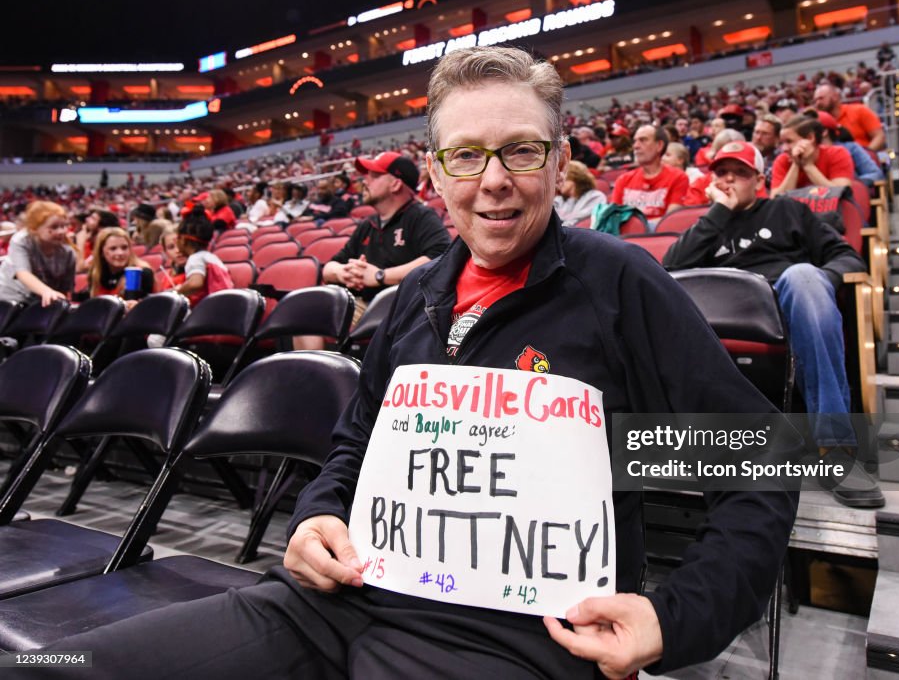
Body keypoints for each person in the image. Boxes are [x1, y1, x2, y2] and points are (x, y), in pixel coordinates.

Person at [31, 46, 797, 680]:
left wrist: (676, 617)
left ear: (558, 161)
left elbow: (767, 459)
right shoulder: (414, 299)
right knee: (58, 666)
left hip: (518, 646)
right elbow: (353, 446)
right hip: (328, 609)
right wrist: (316, 514)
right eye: (467, 155)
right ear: (435, 175)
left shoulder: (617, 283)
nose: (493, 179)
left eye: (521, 150)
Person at [663, 140, 884, 509]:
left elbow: (847, 258)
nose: (730, 179)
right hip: (718, 317)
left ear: (759, 180)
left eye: (741, 172)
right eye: (722, 172)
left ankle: (837, 449)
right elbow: (667, 270)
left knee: (803, 276)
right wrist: (718, 213)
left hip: (783, 302)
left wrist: (816, 285)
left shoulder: (788, 211)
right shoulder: (707, 223)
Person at [321, 151, 449, 324]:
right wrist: (343, 273)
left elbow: (441, 258)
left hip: (405, 309)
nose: (364, 181)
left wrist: (380, 276)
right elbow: (329, 267)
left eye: (374, 176)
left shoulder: (421, 216)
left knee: (313, 318)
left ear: (396, 184)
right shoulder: (368, 225)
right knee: (306, 311)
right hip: (364, 306)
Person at [0, 200, 75, 307]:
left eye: (63, 226)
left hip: (41, 302)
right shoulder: (22, 240)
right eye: (54, 227)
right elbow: (23, 273)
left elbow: (64, 289)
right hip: (9, 298)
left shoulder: (68, 252)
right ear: (34, 228)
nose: (61, 232)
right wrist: (46, 291)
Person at [609, 124, 689, 225]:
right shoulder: (623, 180)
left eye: (643, 140)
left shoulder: (678, 177)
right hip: (626, 239)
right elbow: (613, 221)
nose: (636, 146)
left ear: (659, 145)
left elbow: (669, 222)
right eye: (635, 141)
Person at [770, 116, 854, 197]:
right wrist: (796, 165)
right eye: (782, 143)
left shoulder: (837, 153)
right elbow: (775, 201)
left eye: (789, 141)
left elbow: (841, 194)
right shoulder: (782, 160)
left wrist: (808, 166)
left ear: (810, 138)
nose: (784, 149)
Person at [174, 206, 233, 306]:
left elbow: (195, 284)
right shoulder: (211, 257)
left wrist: (178, 292)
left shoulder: (195, 258)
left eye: (177, 238)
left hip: (212, 311)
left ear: (183, 239)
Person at [86, 227, 154, 307]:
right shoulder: (95, 274)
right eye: (113, 249)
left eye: (124, 248)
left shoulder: (142, 273)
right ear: (101, 252)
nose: (120, 253)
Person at [812, 83, 885, 152]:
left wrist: (866, 155)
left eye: (821, 98)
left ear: (835, 97)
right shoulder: (817, 122)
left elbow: (879, 137)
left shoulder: (859, 110)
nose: (818, 103)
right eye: (815, 100)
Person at [554, 160, 607, 227]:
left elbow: (580, 222)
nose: (558, 183)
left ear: (574, 177)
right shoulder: (559, 200)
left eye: (562, 179)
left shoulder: (595, 196)